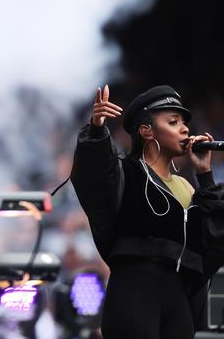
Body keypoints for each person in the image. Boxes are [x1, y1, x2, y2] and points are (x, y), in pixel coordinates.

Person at [70, 85, 224, 338]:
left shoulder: (186, 185)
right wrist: (97, 130)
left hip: (178, 298)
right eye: (173, 122)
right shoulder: (125, 172)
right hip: (135, 292)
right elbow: (95, 175)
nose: (185, 128)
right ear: (147, 131)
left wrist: (204, 174)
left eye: (184, 122)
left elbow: (214, 237)